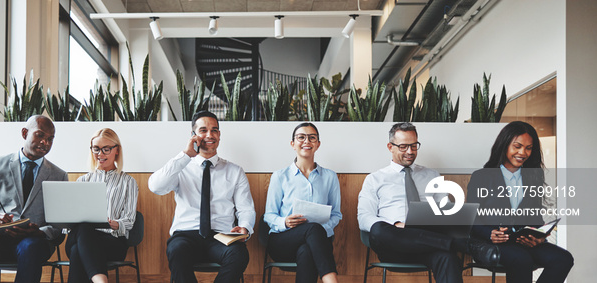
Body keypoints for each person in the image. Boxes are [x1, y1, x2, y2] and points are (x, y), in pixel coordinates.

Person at [357, 122, 500, 283]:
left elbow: (445, 213)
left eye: (414, 146)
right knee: (378, 229)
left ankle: (454, 245)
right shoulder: (375, 179)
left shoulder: (431, 175)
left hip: (429, 246)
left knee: (447, 257)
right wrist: (396, 225)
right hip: (393, 244)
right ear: (390, 147)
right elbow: (364, 218)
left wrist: (456, 215)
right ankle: (465, 246)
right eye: (403, 146)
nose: (410, 152)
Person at [148, 110, 256, 283]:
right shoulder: (181, 166)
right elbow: (155, 186)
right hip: (186, 235)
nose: (209, 135)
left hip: (221, 236)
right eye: (203, 130)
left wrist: (245, 227)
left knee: (239, 253)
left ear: (219, 135)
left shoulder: (234, 171)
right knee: (176, 250)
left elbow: (246, 208)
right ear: (193, 135)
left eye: (214, 130)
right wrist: (185, 155)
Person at [467, 121, 573, 283]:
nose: (523, 152)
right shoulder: (482, 176)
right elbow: (471, 219)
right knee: (521, 259)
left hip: (522, 241)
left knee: (563, 258)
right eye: (517, 146)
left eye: (528, 148)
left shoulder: (533, 176)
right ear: (504, 145)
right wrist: (490, 233)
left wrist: (539, 237)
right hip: (492, 242)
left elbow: (535, 217)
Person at [0, 115, 68, 282]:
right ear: (24, 133)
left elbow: (59, 225)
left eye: (50, 139)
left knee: (30, 247)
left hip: (34, 241)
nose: (45, 142)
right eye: (40, 135)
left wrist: (39, 231)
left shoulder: (59, 175)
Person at [264, 122, 342, 283]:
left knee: (307, 248)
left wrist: (321, 230)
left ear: (318, 144)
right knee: (312, 230)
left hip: (316, 242)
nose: (307, 141)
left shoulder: (330, 177)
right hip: (283, 240)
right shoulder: (280, 176)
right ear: (293, 144)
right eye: (301, 137)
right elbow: (269, 215)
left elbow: (336, 214)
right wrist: (284, 221)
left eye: (312, 138)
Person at [65, 128, 139, 283]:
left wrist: (115, 224)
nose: (100, 154)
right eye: (96, 149)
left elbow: (130, 220)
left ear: (117, 150)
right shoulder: (82, 181)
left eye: (106, 149)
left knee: (76, 251)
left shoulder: (128, 182)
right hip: (82, 237)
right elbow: (69, 223)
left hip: (111, 242)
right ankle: (100, 280)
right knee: (84, 228)